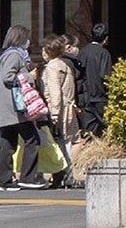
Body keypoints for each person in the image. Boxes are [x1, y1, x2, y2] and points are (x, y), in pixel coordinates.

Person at [0, 26, 43, 191]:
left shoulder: (8, 54)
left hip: (7, 108)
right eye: (27, 38)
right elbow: (8, 77)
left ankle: (2, 180)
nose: (29, 42)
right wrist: (29, 76)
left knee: (7, 142)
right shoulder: (15, 55)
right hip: (15, 108)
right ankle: (27, 177)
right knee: (32, 139)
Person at [39, 36, 81, 189]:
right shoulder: (65, 65)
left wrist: (55, 112)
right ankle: (69, 174)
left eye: (43, 50)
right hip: (69, 107)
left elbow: (54, 91)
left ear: (48, 51)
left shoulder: (51, 67)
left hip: (59, 108)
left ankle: (62, 174)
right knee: (70, 141)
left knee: (59, 142)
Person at [77, 24, 114, 139]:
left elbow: (78, 75)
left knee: (88, 131)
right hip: (100, 96)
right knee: (106, 128)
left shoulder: (83, 52)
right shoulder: (104, 53)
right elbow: (105, 76)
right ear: (106, 38)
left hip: (86, 96)